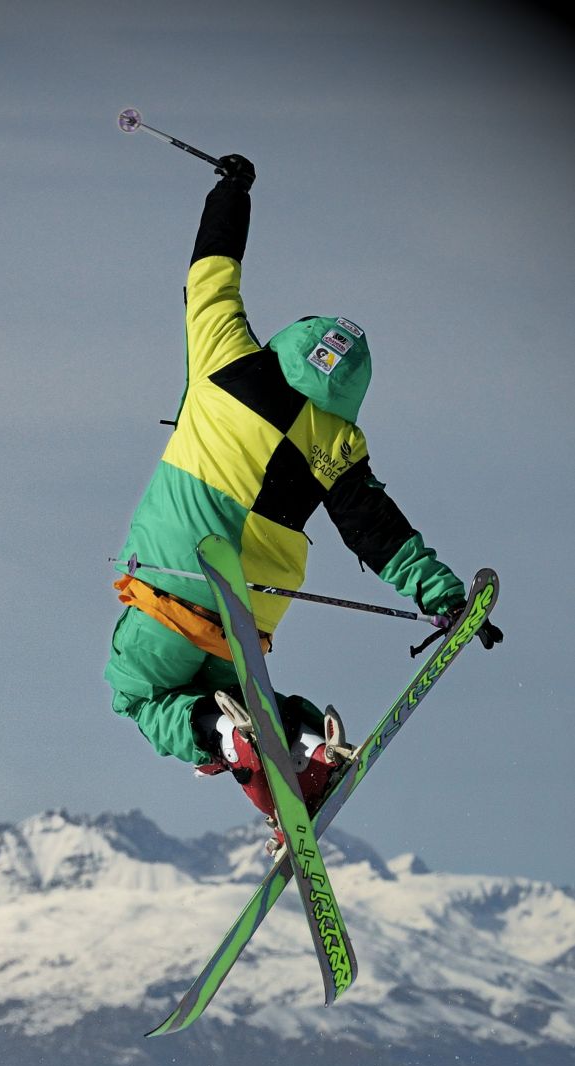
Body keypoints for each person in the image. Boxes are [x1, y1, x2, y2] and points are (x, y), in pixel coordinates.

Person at [105, 153, 502, 836]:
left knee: (140, 696)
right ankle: (303, 748)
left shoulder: (225, 356)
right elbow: (378, 530)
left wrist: (232, 190)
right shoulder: (335, 443)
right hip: (246, 615)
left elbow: (211, 268)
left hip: (173, 580)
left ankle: (231, 741)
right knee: (235, 697)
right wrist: (441, 597)